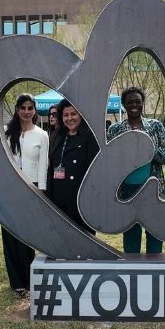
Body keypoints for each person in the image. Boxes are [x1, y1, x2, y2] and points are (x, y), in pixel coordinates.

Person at [107, 86, 165, 254]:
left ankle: (154, 268)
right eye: (130, 103)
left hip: (152, 186)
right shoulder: (115, 130)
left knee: (154, 231)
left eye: (138, 102)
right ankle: (131, 268)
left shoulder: (156, 126)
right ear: (124, 105)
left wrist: (148, 146)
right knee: (130, 231)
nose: (134, 105)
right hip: (127, 188)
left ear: (143, 103)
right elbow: (110, 161)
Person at [1, 93, 49, 296]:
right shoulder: (5, 132)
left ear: (35, 110)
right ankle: (17, 281)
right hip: (9, 190)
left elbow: (43, 166)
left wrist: (41, 191)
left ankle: (30, 279)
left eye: (30, 108)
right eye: (23, 108)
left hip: (32, 188)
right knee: (10, 234)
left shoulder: (42, 135)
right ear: (17, 109)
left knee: (28, 236)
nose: (27, 112)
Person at [46, 99, 100, 234]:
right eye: (65, 115)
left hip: (81, 201)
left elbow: (95, 171)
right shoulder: (57, 135)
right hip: (59, 199)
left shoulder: (89, 136)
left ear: (81, 114)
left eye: (73, 114)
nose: (69, 118)